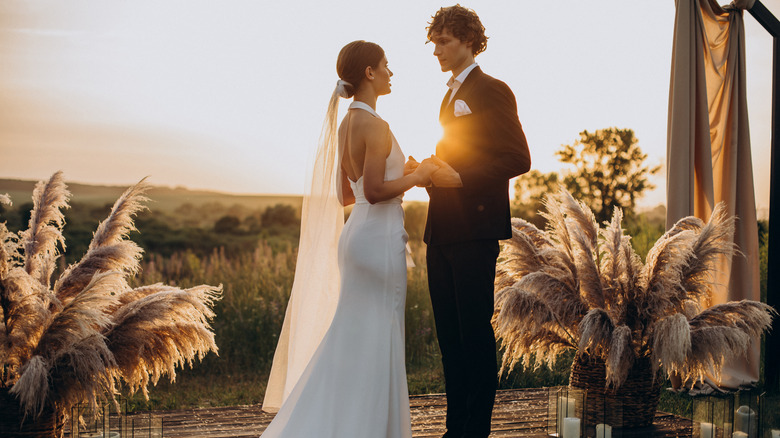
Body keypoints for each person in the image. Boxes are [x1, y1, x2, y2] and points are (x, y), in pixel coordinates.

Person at [261, 40, 439, 438]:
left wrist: (401, 177)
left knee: (354, 334)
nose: (392, 72)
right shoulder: (376, 125)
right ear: (369, 73)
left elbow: (348, 195)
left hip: (356, 235)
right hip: (378, 238)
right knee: (377, 336)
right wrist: (420, 175)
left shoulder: (345, 125)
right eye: (386, 66)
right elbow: (375, 190)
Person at [420, 5, 532, 438]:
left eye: (443, 42)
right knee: (449, 339)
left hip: (476, 231)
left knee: (474, 336)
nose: (436, 51)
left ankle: (475, 431)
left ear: (468, 39)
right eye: (434, 43)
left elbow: (517, 158)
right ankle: (455, 429)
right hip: (441, 228)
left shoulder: (493, 90)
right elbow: (457, 155)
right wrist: (430, 172)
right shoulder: (449, 95)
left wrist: (461, 177)